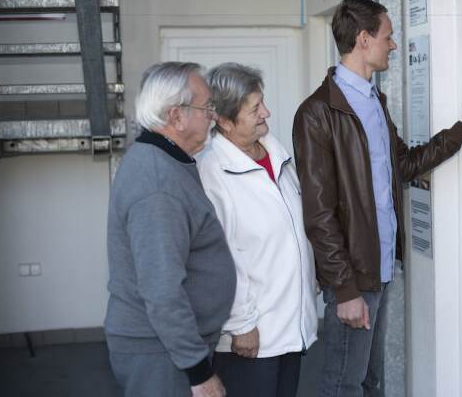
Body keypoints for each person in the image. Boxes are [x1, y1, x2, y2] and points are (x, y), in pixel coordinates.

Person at [292, 0, 462, 396]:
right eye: (388, 36)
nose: (394, 45)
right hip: (353, 275)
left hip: (380, 267)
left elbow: (403, 164)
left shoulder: (373, 101)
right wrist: (345, 289)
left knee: (370, 380)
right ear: (364, 40)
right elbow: (319, 214)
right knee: (343, 383)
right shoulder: (316, 113)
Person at [104, 61, 236, 397]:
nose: (212, 115)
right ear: (176, 116)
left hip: (166, 347)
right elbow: (162, 289)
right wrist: (198, 371)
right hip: (161, 353)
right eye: (207, 107)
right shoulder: (157, 182)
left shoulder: (166, 161)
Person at [197, 62, 319, 397]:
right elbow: (221, 257)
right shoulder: (213, 174)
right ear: (223, 121)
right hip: (252, 336)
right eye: (254, 108)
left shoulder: (275, 152)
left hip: (290, 327)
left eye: (261, 102)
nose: (266, 112)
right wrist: (241, 325)